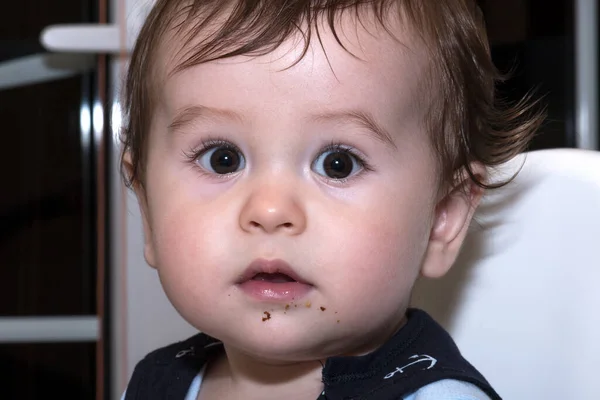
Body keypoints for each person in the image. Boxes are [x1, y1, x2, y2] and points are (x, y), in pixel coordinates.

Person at [119, 1, 543, 399]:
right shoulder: (155, 384)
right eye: (223, 159)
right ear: (149, 211)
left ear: (441, 217)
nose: (269, 210)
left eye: (337, 164)